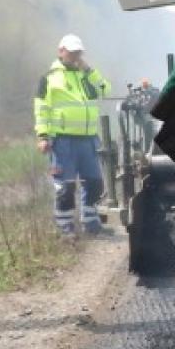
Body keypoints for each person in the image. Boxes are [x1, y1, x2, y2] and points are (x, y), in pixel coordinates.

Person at [34, 34, 111, 237]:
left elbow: (105, 89)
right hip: (62, 140)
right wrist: (42, 136)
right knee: (65, 187)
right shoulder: (49, 78)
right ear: (61, 51)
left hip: (87, 139)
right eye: (71, 52)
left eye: (78, 52)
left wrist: (89, 71)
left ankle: (91, 224)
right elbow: (41, 108)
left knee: (94, 182)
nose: (75, 56)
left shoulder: (86, 76)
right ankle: (65, 229)